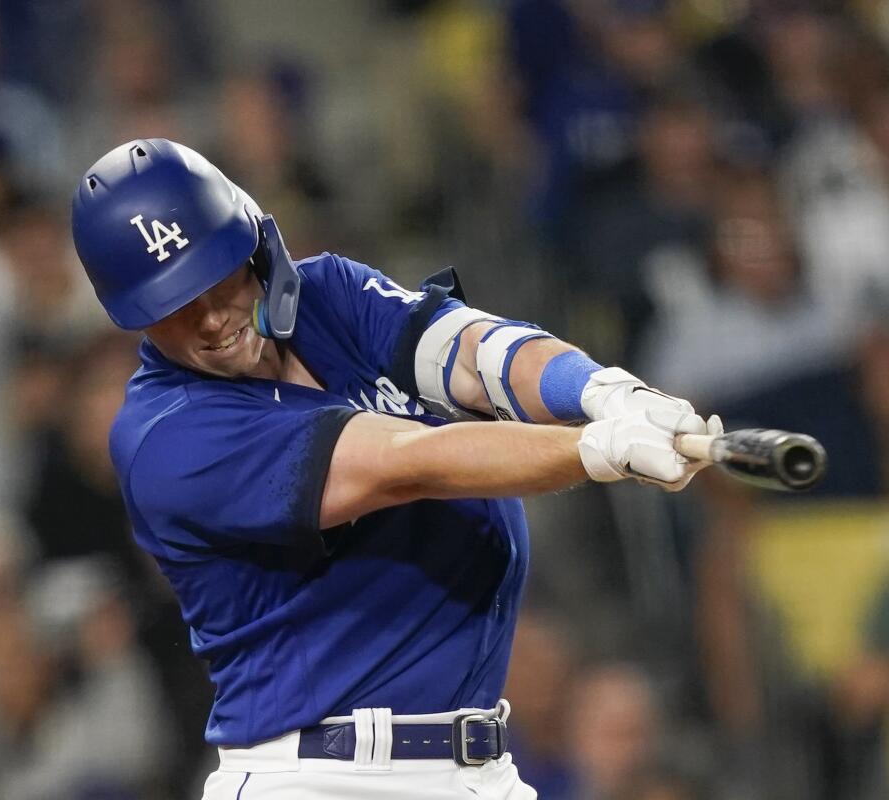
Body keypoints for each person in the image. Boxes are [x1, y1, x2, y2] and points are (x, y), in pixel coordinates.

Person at [69, 138, 722, 799]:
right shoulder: (166, 438)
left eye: (216, 280)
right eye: (173, 305)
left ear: (252, 246)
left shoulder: (327, 294)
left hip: (473, 765)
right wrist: (597, 448)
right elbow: (405, 462)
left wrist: (606, 392)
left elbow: (475, 351)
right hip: (322, 778)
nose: (210, 319)